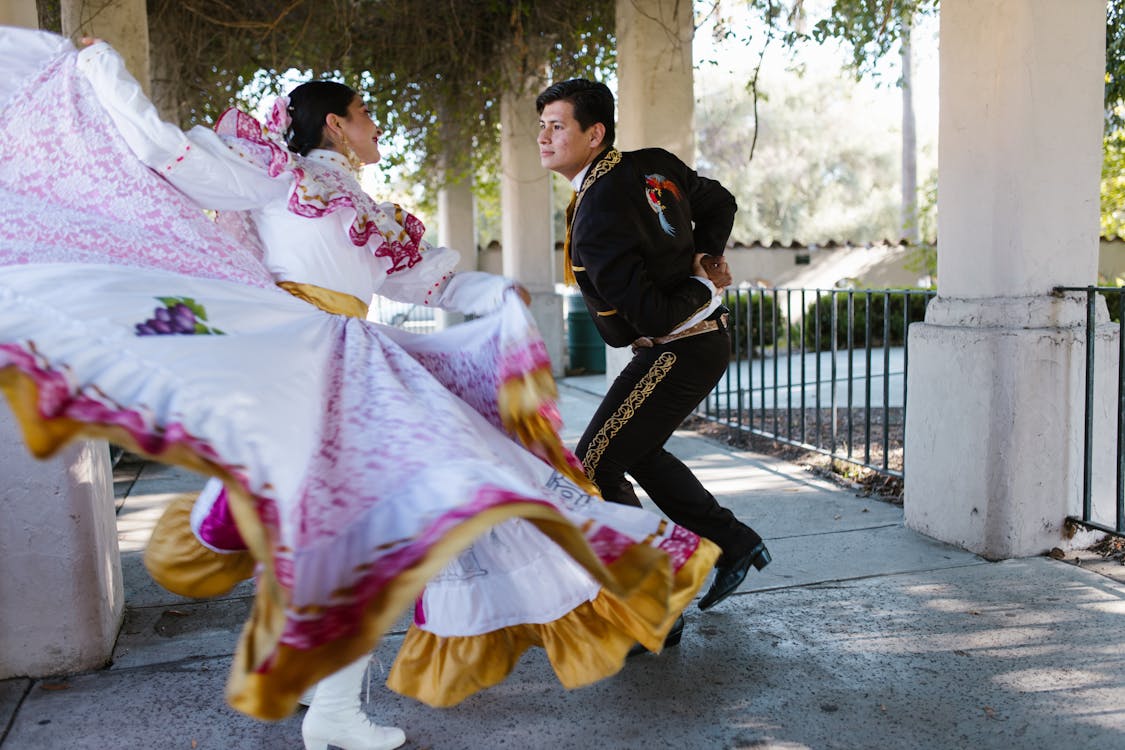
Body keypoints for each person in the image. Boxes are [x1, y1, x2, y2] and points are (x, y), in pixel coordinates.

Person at [0, 28, 720, 750]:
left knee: (359, 525)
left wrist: (494, 295)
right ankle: (320, 687)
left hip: (348, 360)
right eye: (366, 114)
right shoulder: (277, 174)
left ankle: (322, 690)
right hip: (293, 358)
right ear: (336, 125)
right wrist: (101, 68)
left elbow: (425, 280)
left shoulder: (360, 208)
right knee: (348, 526)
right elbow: (163, 150)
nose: (376, 126)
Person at [536, 79, 771, 634]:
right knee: (632, 452)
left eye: (557, 126)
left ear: (594, 134)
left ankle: (655, 604)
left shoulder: (596, 212)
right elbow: (719, 201)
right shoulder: (651, 164)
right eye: (541, 125)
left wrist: (701, 282)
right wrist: (705, 255)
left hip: (678, 348)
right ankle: (733, 545)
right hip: (693, 344)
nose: (543, 137)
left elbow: (652, 317)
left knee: (594, 464)